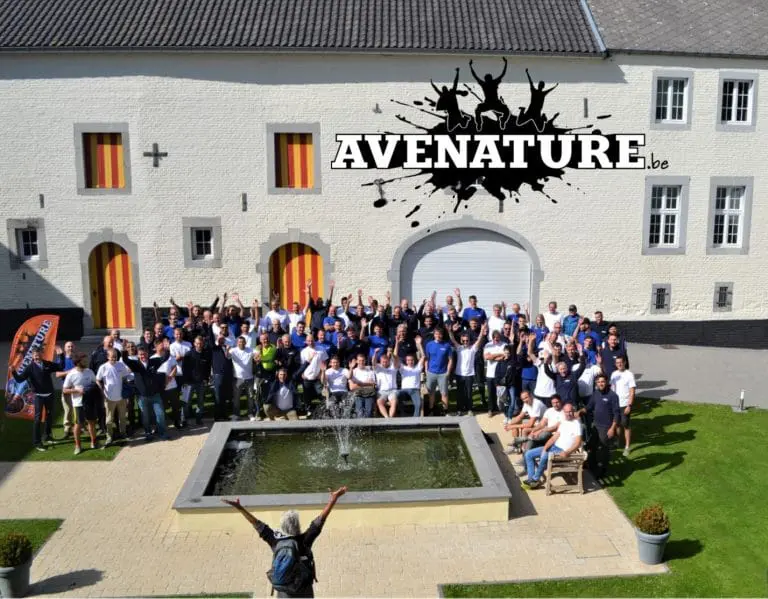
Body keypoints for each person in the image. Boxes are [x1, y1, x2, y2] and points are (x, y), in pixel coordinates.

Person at [221, 486, 348, 598]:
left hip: (284, 590)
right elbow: (320, 521)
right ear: (297, 525)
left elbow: (257, 524)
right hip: (304, 588)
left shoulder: (275, 541)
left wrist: (240, 508)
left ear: (282, 526)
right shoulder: (305, 540)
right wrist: (333, 499)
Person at [12, 345, 64, 451]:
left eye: (38, 355)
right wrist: (13, 371)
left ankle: (47, 436)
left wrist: (60, 355)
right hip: (38, 396)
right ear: (32, 356)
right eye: (34, 355)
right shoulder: (30, 368)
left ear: (41, 354)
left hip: (49, 394)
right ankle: (37, 442)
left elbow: (60, 367)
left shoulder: (47, 364)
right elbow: (19, 379)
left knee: (49, 416)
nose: (36, 357)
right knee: (38, 419)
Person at [522, 402, 582, 489]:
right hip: (554, 447)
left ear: (573, 411)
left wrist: (567, 452)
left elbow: (578, 442)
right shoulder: (563, 422)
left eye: (570, 411)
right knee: (528, 454)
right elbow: (554, 438)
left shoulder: (576, 424)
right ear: (564, 412)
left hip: (562, 451)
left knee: (544, 456)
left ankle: (535, 480)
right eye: (566, 412)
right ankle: (530, 479)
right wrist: (545, 448)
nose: (568, 414)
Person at [122, 346, 168, 442]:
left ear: (148, 353)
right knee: (145, 417)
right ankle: (148, 433)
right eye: (141, 354)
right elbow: (125, 360)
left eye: (144, 354)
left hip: (155, 394)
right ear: (138, 355)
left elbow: (164, 358)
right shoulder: (135, 364)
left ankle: (162, 432)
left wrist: (167, 349)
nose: (143, 356)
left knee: (160, 414)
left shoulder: (154, 361)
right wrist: (124, 351)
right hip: (142, 396)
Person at [579, 374, 620, 478]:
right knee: (591, 446)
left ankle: (603, 470)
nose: (600, 384)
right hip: (596, 425)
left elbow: (617, 414)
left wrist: (612, 428)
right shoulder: (596, 393)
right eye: (598, 382)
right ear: (596, 383)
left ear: (606, 382)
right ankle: (592, 465)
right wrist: (580, 412)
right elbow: (589, 407)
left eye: (602, 382)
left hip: (606, 427)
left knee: (604, 449)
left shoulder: (613, 396)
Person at [62, 353, 99, 455]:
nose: (86, 362)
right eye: (84, 360)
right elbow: (64, 390)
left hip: (90, 401)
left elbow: (95, 382)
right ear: (78, 362)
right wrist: (76, 390)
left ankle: (94, 442)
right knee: (78, 424)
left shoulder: (89, 371)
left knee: (92, 422)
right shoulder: (71, 374)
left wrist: (97, 388)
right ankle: (78, 446)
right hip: (78, 404)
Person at [447, 324, 486, 416]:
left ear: (469, 341)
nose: (465, 342)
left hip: (469, 374)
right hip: (459, 374)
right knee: (459, 393)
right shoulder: (459, 348)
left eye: (467, 341)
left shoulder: (473, 349)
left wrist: (482, 330)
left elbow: (479, 340)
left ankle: (470, 409)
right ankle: (459, 409)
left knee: (469, 393)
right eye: (463, 341)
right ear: (461, 341)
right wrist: (449, 331)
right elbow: (452, 339)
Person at [95, 348, 132, 445]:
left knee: (122, 418)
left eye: (115, 357)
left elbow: (125, 378)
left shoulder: (121, 365)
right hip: (109, 398)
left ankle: (123, 433)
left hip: (121, 397)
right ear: (108, 357)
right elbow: (97, 380)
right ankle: (109, 436)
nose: (114, 359)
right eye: (112, 357)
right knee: (109, 420)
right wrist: (102, 390)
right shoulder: (103, 367)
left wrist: (126, 394)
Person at [469, 57, 510, 130]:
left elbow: (475, 76)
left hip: (488, 104)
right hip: (495, 104)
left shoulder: (484, 84)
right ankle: (503, 121)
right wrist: (506, 63)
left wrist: (470, 66)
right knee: (506, 111)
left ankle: (479, 124)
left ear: (486, 79)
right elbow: (503, 73)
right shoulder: (494, 82)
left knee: (477, 111)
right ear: (491, 78)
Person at [424, 327, 454, 416]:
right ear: (434, 335)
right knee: (431, 393)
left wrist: (448, 372)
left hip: (443, 374)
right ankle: (431, 410)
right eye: (436, 334)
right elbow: (426, 359)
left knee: (444, 393)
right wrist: (426, 370)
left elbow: (450, 360)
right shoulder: (429, 345)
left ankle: (445, 411)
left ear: (442, 335)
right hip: (431, 373)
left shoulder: (447, 345)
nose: (438, 336)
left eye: (440, 334)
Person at [610, 356, 636, 457]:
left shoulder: (629, 374)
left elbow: (632, 392)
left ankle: (627, 446)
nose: (619, 364)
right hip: (615, 404)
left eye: (621, 362)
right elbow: (612, 389)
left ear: (624, 363)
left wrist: (629, 405)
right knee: (616, 424)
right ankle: (617, 442)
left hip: (625, 404)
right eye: (617, 363)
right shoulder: (614, 374)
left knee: (625, 425)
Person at [348, 353, 377, 418]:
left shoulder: (370, 371)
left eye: (363, 360)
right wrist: (367, 383)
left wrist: (358, 383)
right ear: (357, 361)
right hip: (358, 394)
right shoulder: (353, 371)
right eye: (359, 360)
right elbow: (352, 387)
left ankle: (368, 424)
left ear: (365, 361)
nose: (361, 362)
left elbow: (373, 385)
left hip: (369, 394)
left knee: (368, 413)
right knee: (360, 413)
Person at [373, 349, 398, 418]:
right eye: (383, 362)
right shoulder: (378, 368)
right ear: (380, 362)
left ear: (389, 361)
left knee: (394, 402)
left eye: (386, 362)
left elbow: (396, 360)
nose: (384, 363)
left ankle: (390, 418)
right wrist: (375, 353)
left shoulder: (393, 368)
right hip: (382, 391)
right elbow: (373, 362)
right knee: (379, 402)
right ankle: (387, 417)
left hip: (392, 390)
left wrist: (392, 354)